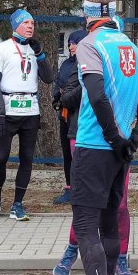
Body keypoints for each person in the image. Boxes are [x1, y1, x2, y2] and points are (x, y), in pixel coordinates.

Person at [65, 0, 138, 275]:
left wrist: (116, 138)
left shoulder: (90, 45)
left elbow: (97, 95)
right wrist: (134, 138)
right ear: (114, 11)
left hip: (94, 145)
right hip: (119, 151)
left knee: (86, 225)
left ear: (87, 13)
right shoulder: (130, 46)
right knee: (107, 222)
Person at [52, 16, 136, 275]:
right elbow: (68, 97)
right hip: (85, 138)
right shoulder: (82, 64)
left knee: (118, 205)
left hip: (118, 144)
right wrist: (82, 88)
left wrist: (133, 135)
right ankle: (71, 251)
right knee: (85, 205)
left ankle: (121, 258)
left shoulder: (127, 64)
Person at [0, 9, 54, 221]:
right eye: (26, 23)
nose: (31, 26)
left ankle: (18, 204)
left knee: (27, 159)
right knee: (0, 158)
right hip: (7, 111)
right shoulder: (2, 49)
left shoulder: (35, 49)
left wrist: (41, 55)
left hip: (30, 112)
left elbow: (49, 78)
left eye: (33, 22)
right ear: (15, 25)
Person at [52, 29, 87, 205]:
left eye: (75, 42)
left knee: (78, 154)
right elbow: (58, 85)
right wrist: (58, 95)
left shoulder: (86, 63)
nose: (71, 46)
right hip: (64, 114)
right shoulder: (66, 64)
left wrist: (66, 94)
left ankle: (80, 190)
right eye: (70, 43)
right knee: (67, 152)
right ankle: (69, 187)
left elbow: (80, 90)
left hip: (78, 114)